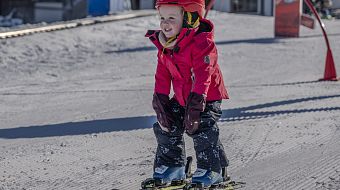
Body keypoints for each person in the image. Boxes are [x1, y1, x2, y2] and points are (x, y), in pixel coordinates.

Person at [145, 0, 229, 188]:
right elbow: (162, 75)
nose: (165, 24)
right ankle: (172, 166)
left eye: (172, 18)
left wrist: (196, 104)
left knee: (202, 128)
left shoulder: (202, 42)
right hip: (183, 98)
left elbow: (203, 74)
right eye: (162, 18)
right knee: (166, 125)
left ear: (189, 18)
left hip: (206, 98)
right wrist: (161, 101)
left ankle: (212, 170)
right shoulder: (165, 45)